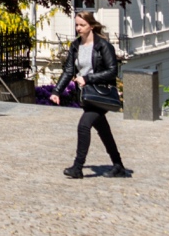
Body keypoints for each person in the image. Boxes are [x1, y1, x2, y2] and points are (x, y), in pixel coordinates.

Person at [50, 11, 130, 178]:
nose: (78, 28)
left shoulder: (103, 46)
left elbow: (112, 71)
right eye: (77, 25)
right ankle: (118, 165)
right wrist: (57, 91)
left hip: (101, 93)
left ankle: (77, 168)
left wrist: (87, 78)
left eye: (82, 25)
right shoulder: (75, 46)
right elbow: (69, 71)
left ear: (91, 26)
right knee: (103, 130)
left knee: (84, 125)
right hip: (87, 95)